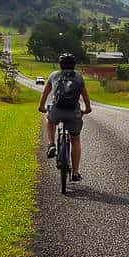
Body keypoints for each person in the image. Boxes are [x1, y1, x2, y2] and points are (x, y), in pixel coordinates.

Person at [38, 52, 92, 181]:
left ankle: (51, 144)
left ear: (60, 64)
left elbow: (45, 93)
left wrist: (41, 106)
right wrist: (88, 109)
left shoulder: (54, 75)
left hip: (57, 110)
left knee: (49, 119)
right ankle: (75, 173)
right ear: (74, 65)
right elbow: (85, 96)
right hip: (73, 113)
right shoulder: (79, 77)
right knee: (75, 140)